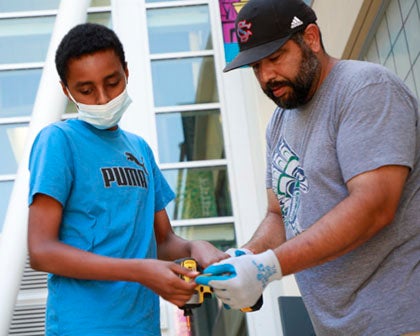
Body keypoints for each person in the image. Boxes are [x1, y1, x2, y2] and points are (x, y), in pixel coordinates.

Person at [196, 0, 420, 335]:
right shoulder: (279, 122)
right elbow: (279, 215)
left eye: (275, 57)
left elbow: (374, 206)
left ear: (311, 38)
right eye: (256, 67)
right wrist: (245, 256)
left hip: (400, 319)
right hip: (336, 327)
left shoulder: (365, 88)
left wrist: (267, 267)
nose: (267, 76)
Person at [27, 22, 226, 336]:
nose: (104, 98)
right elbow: (41, 251)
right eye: (86, 90)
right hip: (82, 327)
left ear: (127, 73)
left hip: (142, 327)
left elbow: (162, 241)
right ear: (67, 91)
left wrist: (194, 247)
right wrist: (140, 271)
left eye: (112, 82)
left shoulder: (140, 149)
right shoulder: (58, 140)